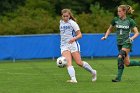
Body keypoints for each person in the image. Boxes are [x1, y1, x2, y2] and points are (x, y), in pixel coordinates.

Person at [101, 5, 140, 82]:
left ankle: (118, 78)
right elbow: (109, 29)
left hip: (127, 43)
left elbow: (137, 33)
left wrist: (131, 38)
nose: (118, 13)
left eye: (120, 11)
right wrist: (105, 36)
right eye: (118, 11)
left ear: (124, 11)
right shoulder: (115, 20)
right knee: (127, 63)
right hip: (119, 43)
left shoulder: (130, 21)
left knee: (120, 57)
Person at [59, 9, 97, 83]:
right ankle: (73, 79)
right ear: (62, 16)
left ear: (69, 16)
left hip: (73, 44)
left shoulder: (73, 23)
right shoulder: (60, 22)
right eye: (64, 16)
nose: (65, 17)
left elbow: (80, 35)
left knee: (79, 63)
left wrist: (74, 38)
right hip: (64, 45)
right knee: (68, 62)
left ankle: (93, 72)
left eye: (67, 16)